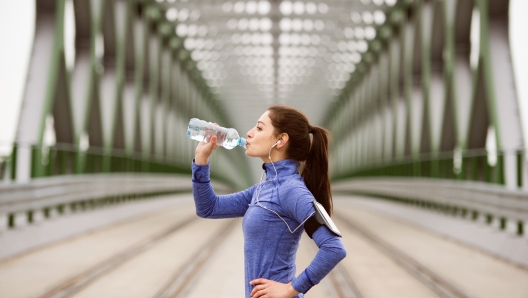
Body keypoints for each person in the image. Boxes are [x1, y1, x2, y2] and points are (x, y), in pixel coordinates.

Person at [192, 105, 346, 298]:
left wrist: (291, 288)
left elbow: (334, 248)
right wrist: (201, 160)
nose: (249, 133)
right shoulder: (263, 189)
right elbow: (209, 208)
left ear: (281, 140)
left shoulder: (293, 191)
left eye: (259, 128)